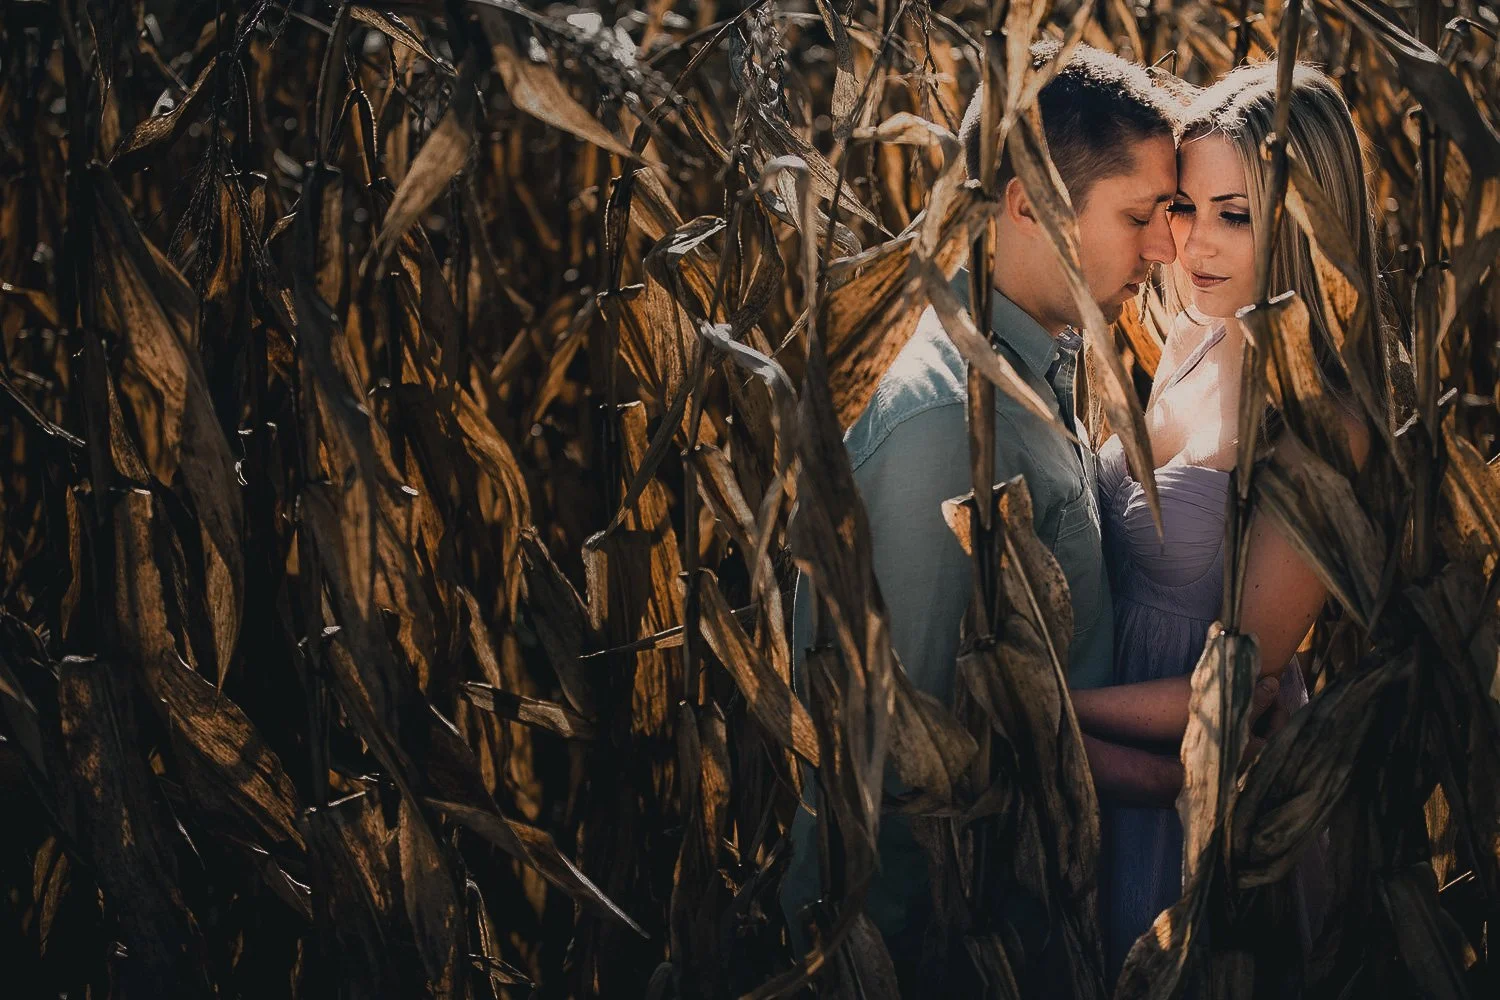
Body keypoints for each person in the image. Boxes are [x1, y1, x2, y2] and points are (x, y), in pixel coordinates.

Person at [779, 40, 1183, 990]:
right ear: (1028, 205)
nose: (1164, 247)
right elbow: (909, 773)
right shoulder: (943, 428)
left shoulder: (1038, 361)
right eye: (1139, 217)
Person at [1070, 63, 1387, 979]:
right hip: (1105, 765)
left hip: (1193, 808)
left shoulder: (1321, 419)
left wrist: (1049, 711)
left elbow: (1240, 686)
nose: (1195, 244)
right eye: (1183, 207)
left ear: (1306, 219)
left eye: (1235, 214)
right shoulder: (1193, 331)